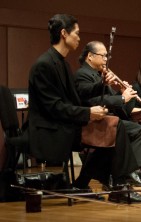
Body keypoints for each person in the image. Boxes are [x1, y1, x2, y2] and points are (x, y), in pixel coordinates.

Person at [28, 14, 107, 170]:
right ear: (64, 33)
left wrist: (102, 84)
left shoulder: (63, 63)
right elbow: (55, 107)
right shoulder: (44, 65)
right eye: (76, 33)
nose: (79, 38)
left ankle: (85, 182)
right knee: (111, 130)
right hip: (49, 129)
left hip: (61, 123)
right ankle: (87, 182)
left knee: (113, 127)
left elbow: (75, 97)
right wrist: (88, 113)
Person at [72, 40, 141, 196]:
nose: (106, 59)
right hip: (90, 122)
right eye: (103, 56)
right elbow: (91, 101)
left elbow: (121, 107)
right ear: (90, 56)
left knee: (137, 131)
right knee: (119, 131)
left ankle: (123, 174)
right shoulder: (82, 75)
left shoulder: (99, 75)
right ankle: (122, 176)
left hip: (106, 120)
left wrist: (124, 92)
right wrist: (121, 98)